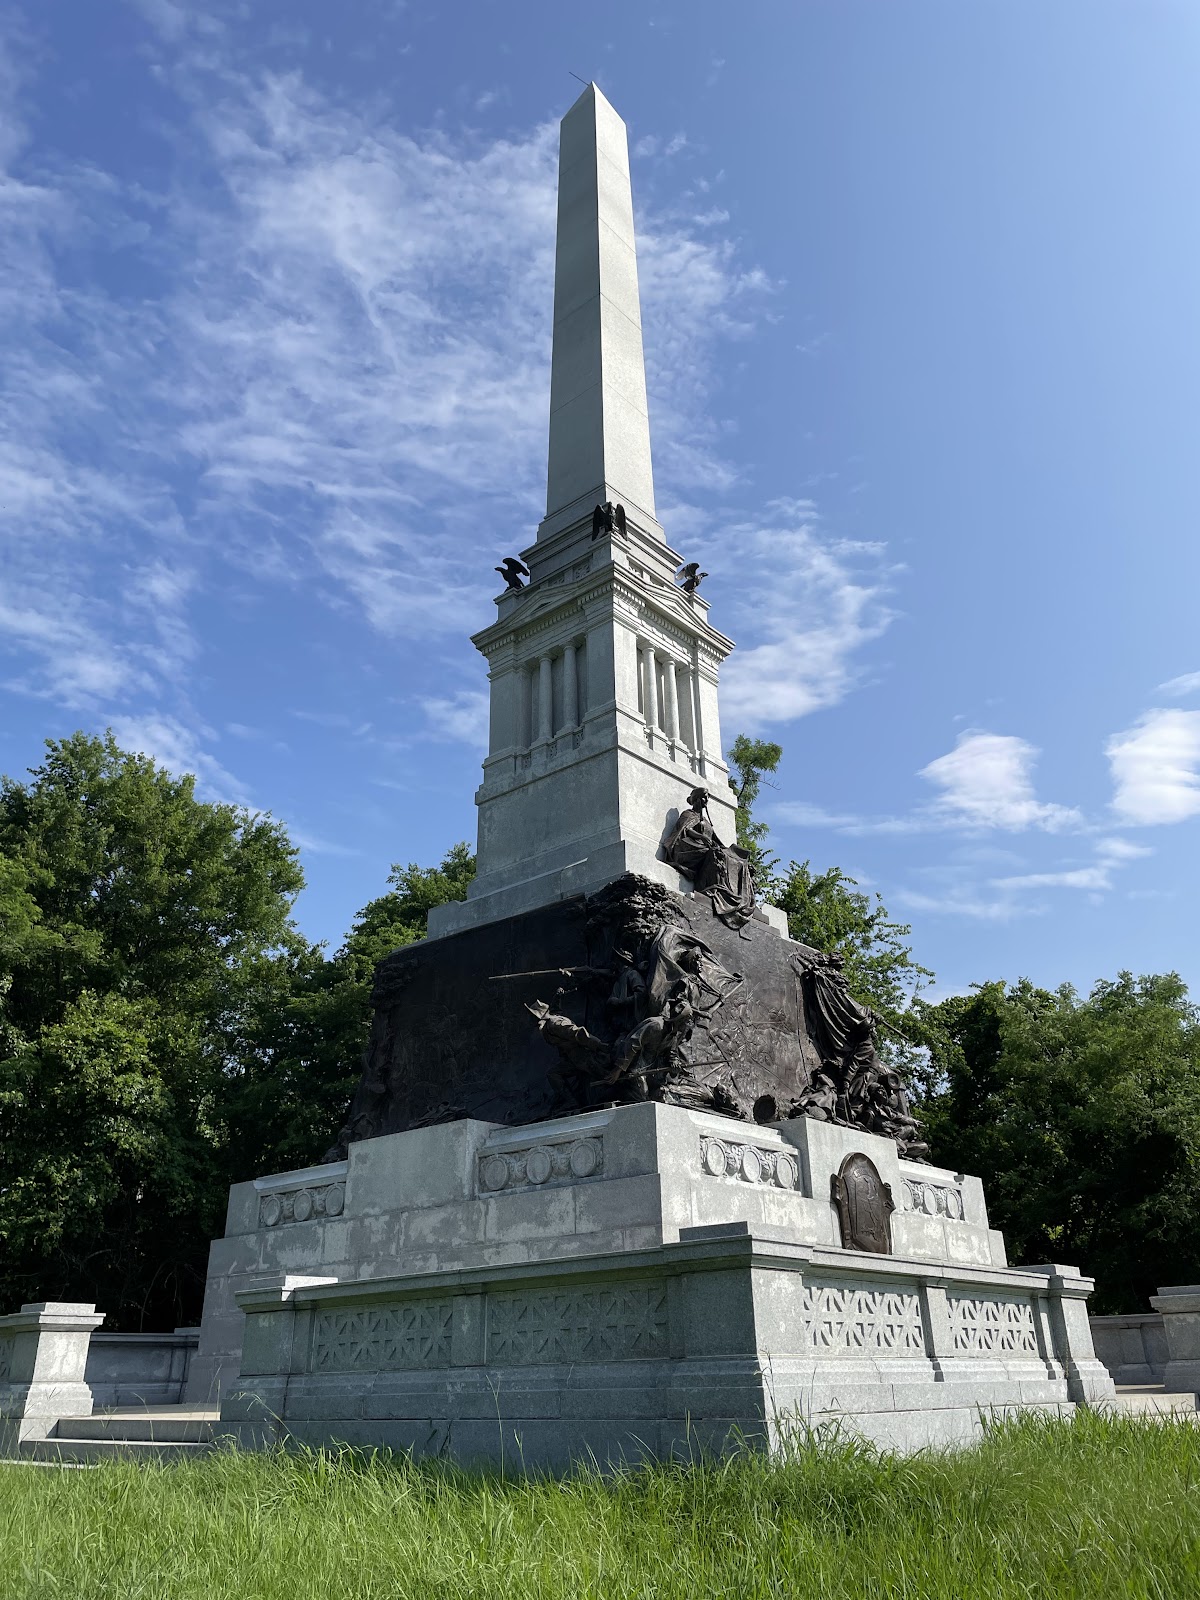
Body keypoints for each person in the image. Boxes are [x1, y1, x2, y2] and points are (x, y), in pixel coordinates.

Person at [662, 786, 756, 928]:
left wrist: (732, 851)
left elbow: (715, 840)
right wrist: (701, 837)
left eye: (707, 797)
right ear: (696, 799)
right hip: (689, 847)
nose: (706, 800)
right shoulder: (688, 814)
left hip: (705, 846)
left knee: (737, 861)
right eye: (703, 797)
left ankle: (736, 897)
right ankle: (715, 889)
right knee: (714, 854)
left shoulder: (706, 821)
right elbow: (684, 830)